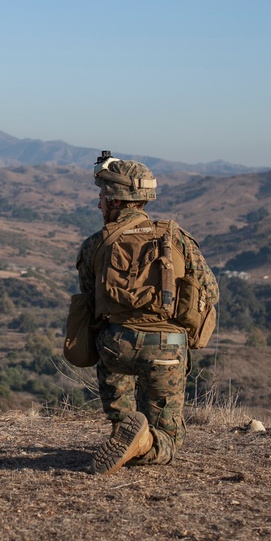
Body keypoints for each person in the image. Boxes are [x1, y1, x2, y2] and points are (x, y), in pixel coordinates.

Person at [74, 152, 219, 474]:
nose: (99, 205)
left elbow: (89, 303)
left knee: (123, 412)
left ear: (115, 201)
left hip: (115, 346)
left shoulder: (94, 244)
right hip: (167, 348)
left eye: (101, 197)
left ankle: (124, 433)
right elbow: (209, 290)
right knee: (169, 437)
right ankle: (148, 444)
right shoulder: (175, 237)